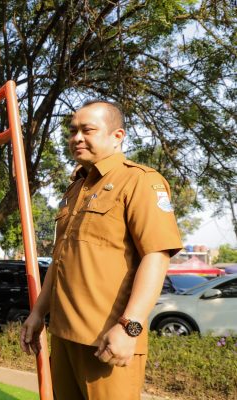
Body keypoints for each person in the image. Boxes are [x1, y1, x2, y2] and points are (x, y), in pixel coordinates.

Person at [20, 100, 183, 399]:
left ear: (117, 136)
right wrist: (37, 313)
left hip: (107, 339)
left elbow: (156, 256)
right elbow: (60, 260)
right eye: (72, 131)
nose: (77, 138)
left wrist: (129, 327)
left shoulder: (139, 181)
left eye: (88, 130)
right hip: (65, 336)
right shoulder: (75, 189)